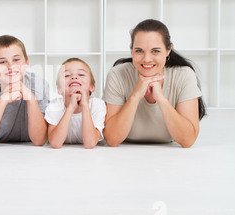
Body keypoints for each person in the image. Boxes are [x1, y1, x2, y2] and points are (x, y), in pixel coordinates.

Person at [102, 19, 206, 148]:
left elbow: (187, 140)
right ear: (132, 51)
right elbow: (112, 139)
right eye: (139, 51)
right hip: (126, 155)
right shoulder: (117, 74)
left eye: (155, 51)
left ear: (168, 50)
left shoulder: (184, 75)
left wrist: (161, 98)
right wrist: (135, 96)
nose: (146, 59)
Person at [0, 35, 50, 148]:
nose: (10, 66)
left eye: (16, 60)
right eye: (2, 62)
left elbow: (40, 140)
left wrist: (31, 99)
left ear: (26, 62)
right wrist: (3, 100)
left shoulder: (39, 85)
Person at [45, 58, 106, 149]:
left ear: (92, 87)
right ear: (59, 89)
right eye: (66, 75)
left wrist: (85, 105)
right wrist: (70, 108)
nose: (74, 77)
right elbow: (55, 143)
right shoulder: (54, 106)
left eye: (81, 74)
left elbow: (90, 143)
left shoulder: (97, 105)